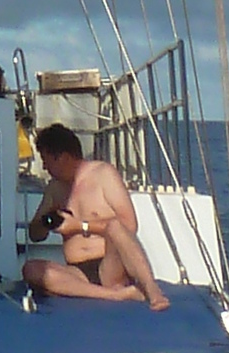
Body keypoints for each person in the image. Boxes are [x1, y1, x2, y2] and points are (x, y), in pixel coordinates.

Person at [23, 123, 168, 308]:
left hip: (109, 266)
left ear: (62, 157)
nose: (44, 167)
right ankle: (114, 295)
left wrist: (79, 225)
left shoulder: (103, 174)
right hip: (77, 273)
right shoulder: (54, 189)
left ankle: (151, 288)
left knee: (115, 226)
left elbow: (129, 225)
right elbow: (35, 235)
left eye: (46, 161)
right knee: (31, 269)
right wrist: (46, 221)